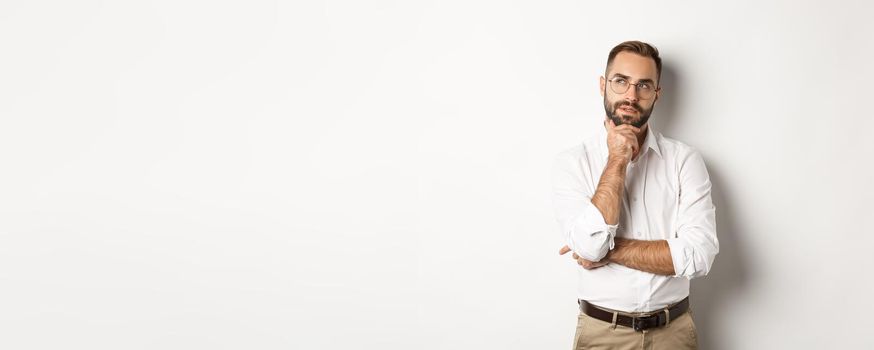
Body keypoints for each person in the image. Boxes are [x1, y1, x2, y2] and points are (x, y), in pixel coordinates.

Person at [551, 40, 719, 349]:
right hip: (602, 334)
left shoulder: (684, 161)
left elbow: (698, 256)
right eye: (621, 81)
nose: (631, 95)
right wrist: (616, 159)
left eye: (643, 85)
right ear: (603, 85)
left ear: (657, 94)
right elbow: (589, 245)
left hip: (674, 333)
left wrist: (607, 251)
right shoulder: (572, 162)